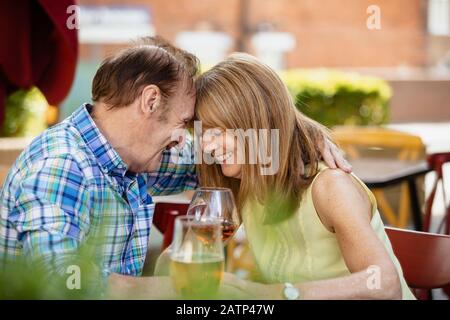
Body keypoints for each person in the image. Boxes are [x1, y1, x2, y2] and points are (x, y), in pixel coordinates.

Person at [0, 37, 347, 298]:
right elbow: (61, 283)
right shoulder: (62, 165)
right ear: (150, 101)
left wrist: (304, 133)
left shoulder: (134, 156)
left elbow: (236, 156)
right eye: (184, 122)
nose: (185, 139)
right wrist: (177, 289)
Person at [194, 53, 416, 300]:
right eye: (203, 131)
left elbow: (385, 285)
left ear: (256, 123)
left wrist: (276, 294)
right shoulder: (243, 187)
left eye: (218, 130)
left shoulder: (330, 187)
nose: (207, 145)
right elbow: (179, 258)